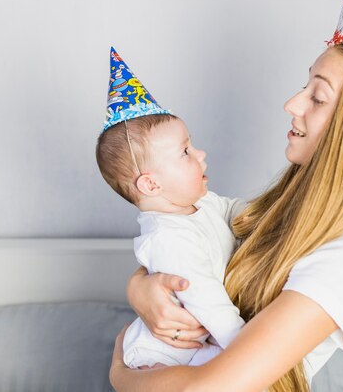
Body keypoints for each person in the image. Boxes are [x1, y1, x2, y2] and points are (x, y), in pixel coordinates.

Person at [109, 0, 343, 392]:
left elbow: (205, 389)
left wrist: (119, 370)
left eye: (317, 97)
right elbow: (187, 218)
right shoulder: (292, 207)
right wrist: (140, 288)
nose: (292, 103)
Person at [97, 48, 248, 368]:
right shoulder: (167, 239)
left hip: (197, 349)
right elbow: (212, 306)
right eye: (185, 151)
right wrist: (251, 351)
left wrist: (267, 214)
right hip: (162, 358)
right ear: (151, 185)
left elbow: (233, 210)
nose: (202, 153)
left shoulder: (199, 203)